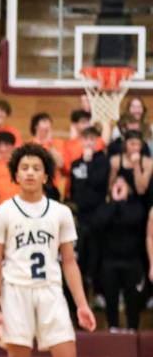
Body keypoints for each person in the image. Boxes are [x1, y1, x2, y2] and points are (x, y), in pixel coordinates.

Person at [0, 144, 96, 357]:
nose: (30, 173)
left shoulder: (61, 213)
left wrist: (81, 304)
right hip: (15, 292)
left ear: (46, 176)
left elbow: (69, 262)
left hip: (51, 291)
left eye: (36, 168)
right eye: (24, 168)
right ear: (16, 175)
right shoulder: (2, 213)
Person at [92, 176, 147, 330]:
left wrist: (121, 202)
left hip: (132, 260)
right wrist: (115, 202)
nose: (119, 186)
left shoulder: (136, 206)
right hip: (109, 261)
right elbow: (99, 222)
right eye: (116, 183)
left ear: (129, 189)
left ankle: (132, 327)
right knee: (111, 296)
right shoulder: (105, 207)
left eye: (123, 183)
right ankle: (113, 326)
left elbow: (134, 220)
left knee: (132, 298)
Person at [68, 126, 109, 297]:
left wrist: (89, 163)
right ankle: (82, 293)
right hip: (81, 216)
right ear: (81, 141)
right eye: (86, 139)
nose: (89, 142)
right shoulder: (75, 164)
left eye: (92, 139)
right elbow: (74, 189)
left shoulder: (102, 161)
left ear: (97, 141)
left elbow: (98, 183)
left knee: (98, 255)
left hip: (98, 215)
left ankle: (99, 292)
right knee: (81, 257)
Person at [109, 130, 153, 207]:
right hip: (120, 199)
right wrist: (118, 185)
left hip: (141, 202)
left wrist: (136, 165)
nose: (136, 148)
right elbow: (109, 186)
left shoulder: (148, 163)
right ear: (125, 144)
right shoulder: (115, 160)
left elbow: (141, 190)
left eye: (139, 144)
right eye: (132, 144)